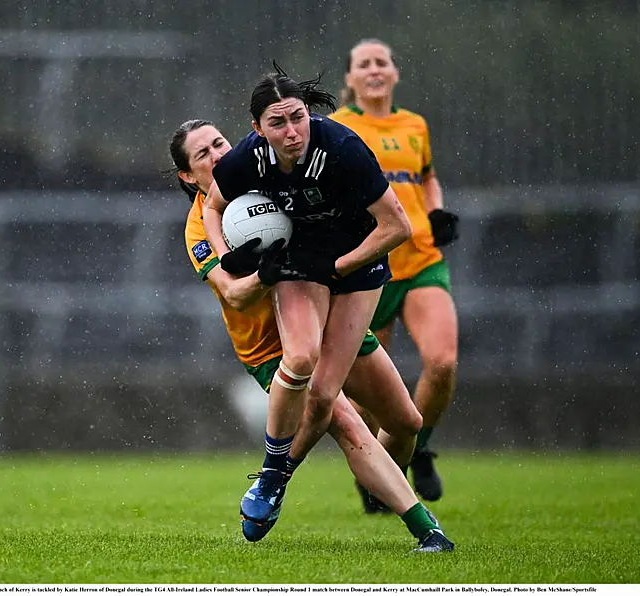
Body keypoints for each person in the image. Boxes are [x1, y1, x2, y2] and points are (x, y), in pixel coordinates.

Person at [170, 119, 454, 553]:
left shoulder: (269, 182)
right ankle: (426, 529)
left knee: (405, 422)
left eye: (219, 143)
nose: (218, 155)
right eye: (203, 154)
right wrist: (266, 270)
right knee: (344, 421)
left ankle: (290, 477)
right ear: (188, 176)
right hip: (270, 347)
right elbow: (235, 295)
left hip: (330, 321)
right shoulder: (199, 228)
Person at [202, 65, 413, 529]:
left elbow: (398, 227)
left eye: (297, 117)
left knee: (406, 425)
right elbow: (213, 207)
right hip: (304, 268)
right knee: (313, 382)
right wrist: (226, 257)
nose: (292, 131)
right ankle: (275, 480)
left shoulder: (342, 149)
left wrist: (336, 267)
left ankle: (376, 485)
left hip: (358, 266)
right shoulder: (246, 160)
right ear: (258, 129)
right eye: (277, 123)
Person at [330, 40, 460, 506]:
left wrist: (437, 209)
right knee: (367, 398)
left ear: (395, 72)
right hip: (369, 268)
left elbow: (425, 176)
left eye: (381, 62)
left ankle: (417, 450)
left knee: (442, 363)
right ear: (349, 80)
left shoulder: (414, 125)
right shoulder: (338, 127)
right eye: (363, 64)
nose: (373, 70)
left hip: (422, 260)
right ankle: (380, 474)